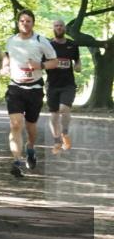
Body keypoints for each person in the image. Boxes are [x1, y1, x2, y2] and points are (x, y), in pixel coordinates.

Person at [1, 9, 58, 177]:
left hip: (34, 89)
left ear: (33, 23)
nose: (25, 24)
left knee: (30, 125)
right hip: (15, 87)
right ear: (18, 23)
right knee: (16, 124)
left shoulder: (41, 41)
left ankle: (30, 147)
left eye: (28, 21)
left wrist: (40, 65)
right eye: (22, 21)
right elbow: (7, 55)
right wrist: (5, 65)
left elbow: (54, 62)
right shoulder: (11, 40)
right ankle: (17, 162)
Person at [46, 18, 81, 154]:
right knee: (54, 114)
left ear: (65, 28)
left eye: (61, 26)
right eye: (56, 26)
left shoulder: (72, 45)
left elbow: (77, 61)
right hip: (52, 84)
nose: (59, 28)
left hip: (68, 84)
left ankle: (65, 133)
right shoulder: (47, 46)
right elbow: (41, 62)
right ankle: (56, 142)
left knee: (64, 109)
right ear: (53, 28)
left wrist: (78, 66)